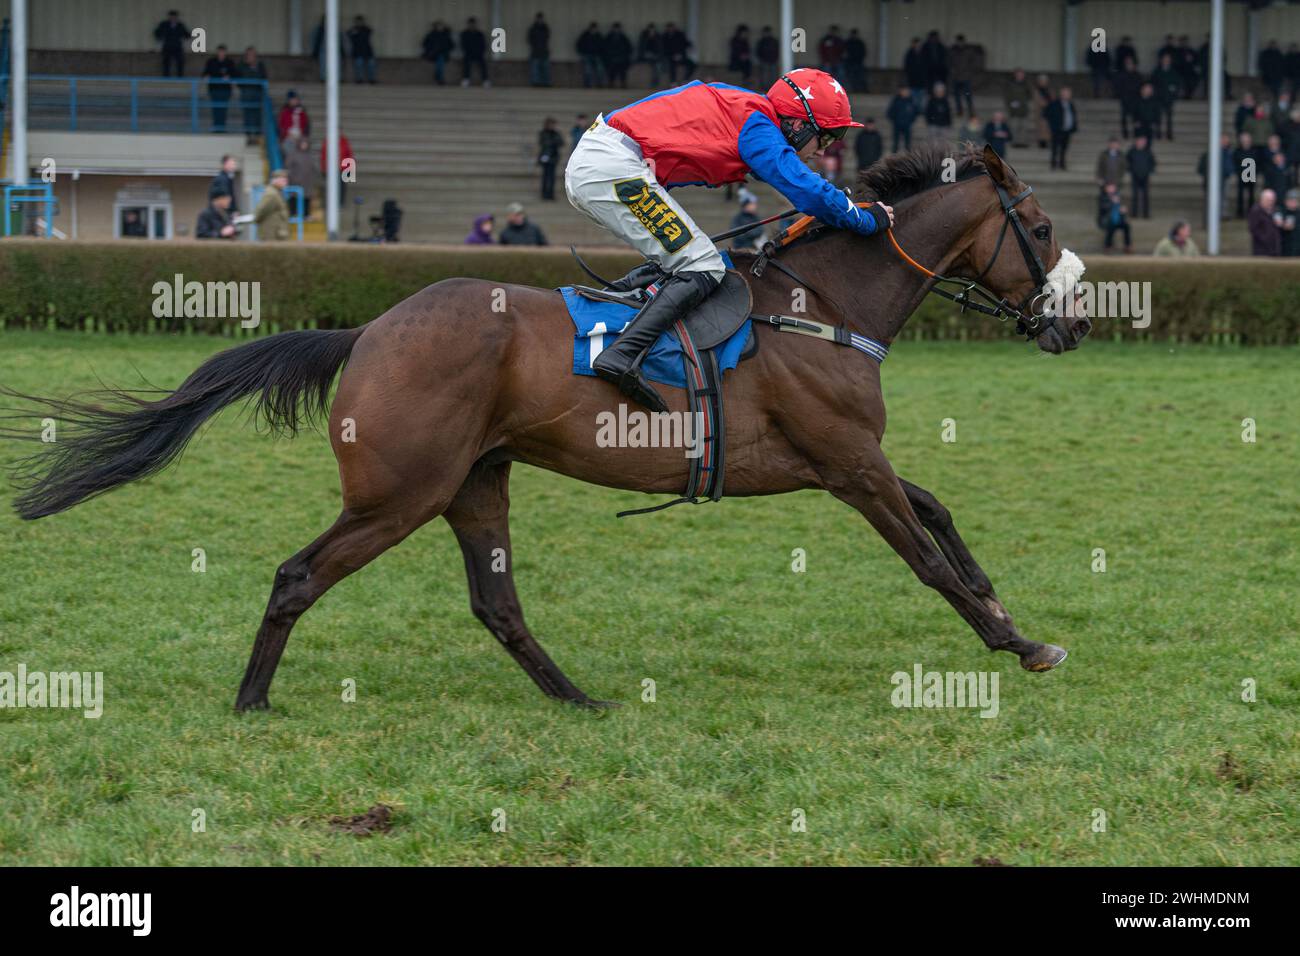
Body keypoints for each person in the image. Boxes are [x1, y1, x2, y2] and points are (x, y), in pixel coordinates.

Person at [564, 69, 894, 414]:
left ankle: (616, 311)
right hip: (612, 166)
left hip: (608, 162)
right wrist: (864, 217)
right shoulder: (758, 126)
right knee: (702, 264)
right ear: (797, 125)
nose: (822, 151)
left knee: (689, 257)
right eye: (825, 138)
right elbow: (805, 189)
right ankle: (621, 355)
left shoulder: (749, 113)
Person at [201, 45, 235, 132]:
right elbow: (205, 73)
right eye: (220, 51)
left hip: (225, 90)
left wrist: (229, 77)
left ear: (225, 52)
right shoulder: (211, 62)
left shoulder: (229, 62)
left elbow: (235, 74)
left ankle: (222, 128)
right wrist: (206, 76)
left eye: (223, 52)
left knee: (223, 109)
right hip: (214, 89)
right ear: (217, 52)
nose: (221, 53)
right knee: (215, 109)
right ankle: (216, 128)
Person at [237, 47, 267, 139]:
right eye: (249, 54)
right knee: (248, 116)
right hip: (246, 93)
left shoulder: (260, 65)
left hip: (257, 93)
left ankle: (257, 134)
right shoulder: (241, 66)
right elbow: (238, 79)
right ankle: (249, 135)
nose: (251, 56)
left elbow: (264, 77)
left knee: (257, 115)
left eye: (253, 54)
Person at [1045, 86, 1078, 170]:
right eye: (1064, 93)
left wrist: (1073, 127)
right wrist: (1053, 125)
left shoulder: (1071, 104)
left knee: (1064, 148)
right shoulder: (1055, 103)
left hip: (1067, 130)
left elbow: (1073, 116)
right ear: (1061, 94)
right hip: (1057, 130)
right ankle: (1053, 164)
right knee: (1055, 148)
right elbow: (1046, 113)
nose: (1066, 95)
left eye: (1068, 94)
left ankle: (1062, 164)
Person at [286, 136, 319, 219]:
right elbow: (288, 167)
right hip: (295, 181)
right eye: (302, 144)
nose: (304, 145)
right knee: (293, 198)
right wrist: (292, 178)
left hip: (307, 182)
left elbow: (314, 168)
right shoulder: (293, 154)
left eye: (306, 144)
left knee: (307, 198)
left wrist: (313, 178)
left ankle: (306, 215)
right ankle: (293, 214)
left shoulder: (310, 156)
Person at [254, 169, 291, 241]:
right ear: (275, 180)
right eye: (283, 180)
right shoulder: (272, 194)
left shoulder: (276, 193)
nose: (286, 183)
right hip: (272, 235)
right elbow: (261, 211)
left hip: (277, 234)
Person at [1151, 52, 1181, 140]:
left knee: (1169, 117)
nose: (1166, 61)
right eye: (1164, 59)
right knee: (1158, 117)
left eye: (1167, 59)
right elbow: (1153, 83)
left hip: (1169, 98)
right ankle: (1158, 133)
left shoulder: (1174, 72)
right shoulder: (1157, 71)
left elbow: (1177, 84)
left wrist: (1174, 93)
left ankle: (1169, 134)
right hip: (1159, 98)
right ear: (1161, 60)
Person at [948, 35, 979, 118]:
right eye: (958, 42)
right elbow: (949, 62)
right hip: (956, 77)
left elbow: (974, 62)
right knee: (957, 96)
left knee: (968, 96)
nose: (960, 43)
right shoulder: (953, 50)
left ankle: (971, 111)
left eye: (961, 42)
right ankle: (959, 111)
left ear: (964, 42)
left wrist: (969, 71)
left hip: (966, 77)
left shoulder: (969, 51)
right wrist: (952, 70)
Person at [1002, 67, 1034, 147]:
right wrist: (1010, 104)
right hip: (1013, 110)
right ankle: (1014, 142)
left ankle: (1023, 143)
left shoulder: (1026, 84)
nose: (1020, 76)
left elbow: (1030, 95)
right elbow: (1007, 96)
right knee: (1014, 127)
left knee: (1024, 127)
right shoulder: (1010, 84)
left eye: (1021, 74)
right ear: (1015, 75)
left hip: (1024, 109)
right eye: (1018, 74)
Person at [1126, 134, 1155, 219]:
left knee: (1146, 196)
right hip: (1135, 176)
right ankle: (1134, 214)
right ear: (1136, 141)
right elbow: (1127, 161)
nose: (1142, 143)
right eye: (1140, 141)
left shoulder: (1148, 151)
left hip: (1145, 176)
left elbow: (1152, 163)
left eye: (1144, 141)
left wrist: (1149, 170)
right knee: (1135, 196)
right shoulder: (1131, 151)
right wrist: (1131, 170)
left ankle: (1145, 214)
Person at [1098, 182, 1131, 253]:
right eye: (1110, 187)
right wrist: (1112, 202)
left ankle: (1127, 246)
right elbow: (1103, 208)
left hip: (1118, 219)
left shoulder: (1118, 197)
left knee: (1126, 226)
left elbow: (1122, 208)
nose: (1111, 189)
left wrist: (1123, 210)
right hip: (1106, 219)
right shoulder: (1103, 197)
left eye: (1113, 187)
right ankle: (1107, 246)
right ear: (1106, 188)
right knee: (1111, 226)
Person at [153, 9, 189, 77]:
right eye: (171, 17)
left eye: (174, 17)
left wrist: (188, 35)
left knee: (180, 62)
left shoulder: (180, 25)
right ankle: (166, 77)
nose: (173, 18)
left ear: (177, 17)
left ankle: (180, 76)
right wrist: (160, 37)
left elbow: (186, 34)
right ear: (169, 17)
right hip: (167, 46)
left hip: (177, 46)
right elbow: (156, 33)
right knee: (166, 62)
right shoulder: (164, 24)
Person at [1113, 57, 1142, 138]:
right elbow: (1117, 86)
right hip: (1125, 99)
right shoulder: (1121, 75)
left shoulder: (1137, 75)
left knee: (1136, 118)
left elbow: (1140, 87)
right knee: (1124, 118)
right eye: (1128, 64)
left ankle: (1136, 133)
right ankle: (1125, 133)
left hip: (1135, 100)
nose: (1129, 65)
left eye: (1131, 64)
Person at [1233, 132, 1260, 218]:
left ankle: (1250, 212)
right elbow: (1235, 162)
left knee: (1251, 194)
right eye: (1244, 140)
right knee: (1240, 194)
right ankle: (1240, 212)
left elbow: (1258, 162)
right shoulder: (1238, 150)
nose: (1245, 141)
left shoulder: (1254, 150)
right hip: (1241, 174)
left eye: (1247, 139)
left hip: (1251, 173)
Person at [1248, 188, 1281, 255]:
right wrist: (1265, 239)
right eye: (1268, 200)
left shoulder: (1275, 210)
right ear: (1262, 199)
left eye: (1272, 201)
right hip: (1261, 249)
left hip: (1274, 248)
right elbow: (1253, 229)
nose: (1270, 203)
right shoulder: (1256, 211)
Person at [537, 117, 563, 200]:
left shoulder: (556, 133)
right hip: (545, 157)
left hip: (553, 157)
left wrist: (556, 134)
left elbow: (561, 143)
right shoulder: (543, 133)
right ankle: (544, 194)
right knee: (545, 176)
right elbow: (544, 143)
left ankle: (550, 194)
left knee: (552, 177)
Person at [422, 20, 454, 86]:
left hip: (443, 54)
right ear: (435, 27)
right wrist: (431, 49)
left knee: (440, 60)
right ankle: (440, 77)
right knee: (439, 60)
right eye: (438, 26)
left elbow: (451, 45)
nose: (440, 27)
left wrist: (445, 49)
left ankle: (438, 75)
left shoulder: (446, 35)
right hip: (433, 54)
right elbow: (425, 44)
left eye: (441, 26)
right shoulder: (431, 35)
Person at [887, 86, 918, 153]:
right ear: (900, 91)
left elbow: (915, 112)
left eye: (907, 91)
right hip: (897, 125)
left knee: (907, 144)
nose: (905, 93)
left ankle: (908, 158)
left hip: (907, 125)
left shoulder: (911, 101)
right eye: (904, 91)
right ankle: (893, 157)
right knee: (896, 143)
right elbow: (890, 112)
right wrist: (895, 120)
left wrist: (911, 120)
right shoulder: (896, 100)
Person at [460, 17, 489, 87]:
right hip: (468, 53)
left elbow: (483, 44)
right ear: (468, 24)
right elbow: (463, 44)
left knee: (483, 65)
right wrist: (468, 51)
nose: (472, 25)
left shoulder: (480, 34)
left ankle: (485, 80)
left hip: (478, 54)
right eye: (471, 24)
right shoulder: (465, 34)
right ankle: (466, 79)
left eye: (473, 24)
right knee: (466, 64)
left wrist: (480, 52)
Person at [348, 16, 376, 84]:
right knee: (359, 65)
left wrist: (358, 32)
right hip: (358, 51)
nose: (359, 23)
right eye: (358, 22)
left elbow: (370, 31)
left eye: (360, 21)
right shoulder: (353, 29)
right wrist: (355, 32)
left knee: (371, 64)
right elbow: (349, 34)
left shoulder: (366, 29)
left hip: (367, 51)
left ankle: (371, 79)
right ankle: (359, 79)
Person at [577, 22, 605, 88]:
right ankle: (587, 84)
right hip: (587, 55)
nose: (593, 30)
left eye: (595, 28)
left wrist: (601, 54)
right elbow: (579, 44)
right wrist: (582, 52)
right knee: (587, 70)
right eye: (592, 28)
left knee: (599, 70)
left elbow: (603, 46)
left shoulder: (599, 36)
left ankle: (599, 84)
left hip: (597, 55)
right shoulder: (585, 35)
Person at [605, 22, 633, 89]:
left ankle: (623, 84)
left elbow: (629, 47)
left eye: (617, 28)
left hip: (621, 58)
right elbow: (605, 48)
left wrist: (625, 55)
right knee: (612, 72)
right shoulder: (609, 37)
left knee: (622, 72)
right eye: (615, 28)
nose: (616, 30)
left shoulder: (623, 37)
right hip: (612, 58)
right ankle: (611, 84)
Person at [527, 12, 551, 87]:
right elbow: (529, 39)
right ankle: (535, 83)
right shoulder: (533, 28)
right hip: (535, 52)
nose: (540, 20)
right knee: (535, 69)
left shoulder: (545, 28)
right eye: (539, 18)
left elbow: (547, 38)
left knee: (545, 69)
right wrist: (535, 45)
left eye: (541, 18)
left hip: (544, 51)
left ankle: (546, 83)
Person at [903, 38, 928, 109]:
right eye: (916, 44)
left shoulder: (924, 54)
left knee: (921, 98)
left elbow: (926, 66)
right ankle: (915, 110)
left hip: (922, 80)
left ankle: (919, 110)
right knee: (914, 97)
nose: (917, 45)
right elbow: (907, 66)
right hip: (912, 80)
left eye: (918, 44)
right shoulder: (909, 54)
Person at [843, 28, 868, 93]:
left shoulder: (859, 43)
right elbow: (844, 53)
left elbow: (863, 52)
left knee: (860, 77)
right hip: (850, 63)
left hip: (858, 62)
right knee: (850, 77)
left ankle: (860, 90)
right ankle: (850, 90)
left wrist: (860, 59)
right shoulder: (848, 42)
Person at [1280, 190, 1300, 256]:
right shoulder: (1281, 213)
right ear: (1286, 201)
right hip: (1285, 248)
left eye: (1295, 201)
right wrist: (1282, 226)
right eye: (1291, 200)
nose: (1293, 202)